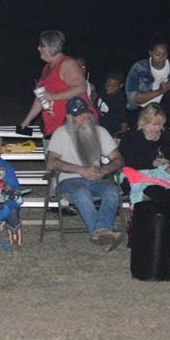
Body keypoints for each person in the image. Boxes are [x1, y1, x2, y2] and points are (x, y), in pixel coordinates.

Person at [46, 97, 125, 250]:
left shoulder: (100, 132)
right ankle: (102, 232)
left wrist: (104, 170)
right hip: (68, 180)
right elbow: (51, 162)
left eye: (85, 114)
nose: (83, 118)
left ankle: (101, 232)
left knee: (112, 190)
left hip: (95, 178)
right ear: (69, 117)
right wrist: (80, 170)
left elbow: (118, 159)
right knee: (81, 192)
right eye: (78, 115)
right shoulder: (60, 133)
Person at [118, 103, 170, 243]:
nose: (157, 128)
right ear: (144, 121)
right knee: (156, 191)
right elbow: (127, 161)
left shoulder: (169, 136)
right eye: (153, 124)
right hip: (140, 175)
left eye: (160, 124)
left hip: (166, 176)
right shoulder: (131, 137)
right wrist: (152, 163)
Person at [17, 30, 98, 142]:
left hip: (74, 126)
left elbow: (80, 87)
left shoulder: (67, 63)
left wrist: (52, 96)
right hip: (53, 127)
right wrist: (26, 122)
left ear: (52, 46)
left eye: (42, 46)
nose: (38, 48)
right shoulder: (46, 68)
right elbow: (41, 97)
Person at [124, 37, 170, 138]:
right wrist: (160, 91)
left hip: (166, 112)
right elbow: (132, 98)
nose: (161, 57)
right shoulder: (139, 68)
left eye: (164, 54)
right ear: (150, 53)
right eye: (157, 54)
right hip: (142, 110)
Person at [96, 68, 128, 138]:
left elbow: (123, 119)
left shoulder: (120, 99)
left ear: (120, 86)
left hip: (110, 131)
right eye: (108, 84)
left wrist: (123, 134)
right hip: (98, 125)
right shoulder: (102, 89)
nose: (109, 87)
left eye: (113, 86)